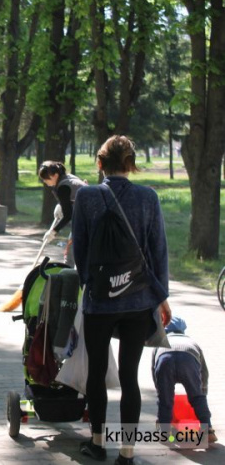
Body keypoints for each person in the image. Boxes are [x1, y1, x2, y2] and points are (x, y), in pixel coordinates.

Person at [72, 135, 172, 465]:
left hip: (99, 301)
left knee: (97, 373)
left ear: (99, 163)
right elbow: (158, 250)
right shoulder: (148, 197)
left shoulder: (86, 197)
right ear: (131, 164)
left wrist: (92, 285)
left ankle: (98, 443)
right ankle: (127, 452)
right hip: (139, 300)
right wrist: (161, 296)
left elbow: (81, 250)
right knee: (130, 377)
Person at [152, 316, 217, 445]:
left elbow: (154, 368)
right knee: (197, 397)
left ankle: (164, 432)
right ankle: (208, 429)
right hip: (188, 358)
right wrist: (202, 391)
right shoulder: (191, 342)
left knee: (165, 399)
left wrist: (160, 389)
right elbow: (204, 371)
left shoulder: (160, 341)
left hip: (165, 359)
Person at [38, 161, 86, 266]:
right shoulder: (68, 177)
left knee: (70, 257)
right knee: (75, 255)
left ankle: (69, 277)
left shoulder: (63, 187)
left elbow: (68, 215)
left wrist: (53, 231)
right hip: (87, 217)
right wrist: (62, 205)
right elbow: (72, 199)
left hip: (87, 220)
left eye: (46, 179)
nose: (45, 182)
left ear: (55, 175)